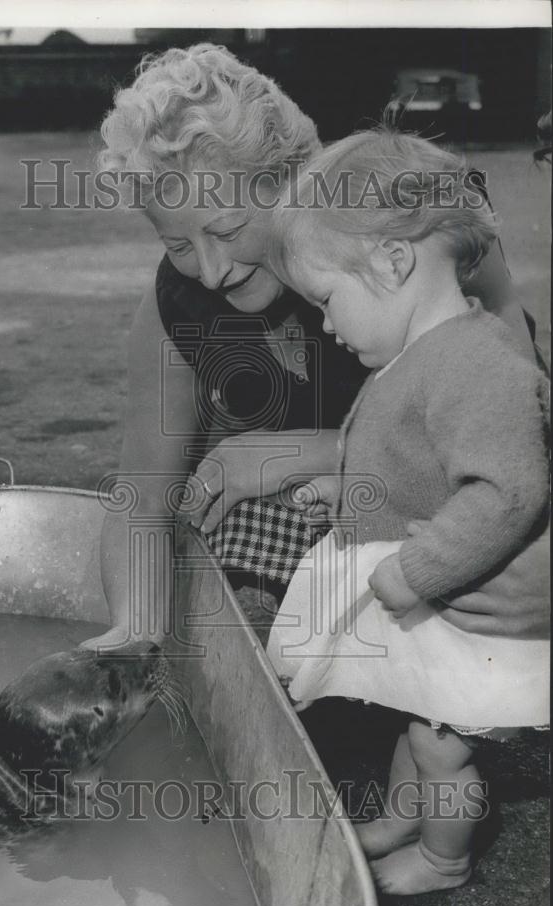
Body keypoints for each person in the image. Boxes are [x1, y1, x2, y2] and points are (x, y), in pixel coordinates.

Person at [84, 42, 548, 656]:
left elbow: (526, 436)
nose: (213, 270)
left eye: (227, 229)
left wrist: (314, 450)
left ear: (294, 180)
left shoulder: (417, 234)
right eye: (178, 245)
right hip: (329, 523)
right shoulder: (176, 307)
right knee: (217, 548)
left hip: (450, 506)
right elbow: (144, 493)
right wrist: (132, 638)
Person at [264, 128, 550, 895]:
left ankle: (444, 857)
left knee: (441, 743)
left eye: (326, 300)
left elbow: (505, 492)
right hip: (431, 600)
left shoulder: (475, 362)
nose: (325, 325)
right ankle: (401, 818)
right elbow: (414, 471)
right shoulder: (427, 354)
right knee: (410, 715)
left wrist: (418, 570)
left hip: (456, 604)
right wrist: (350, 495)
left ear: (392, 263)